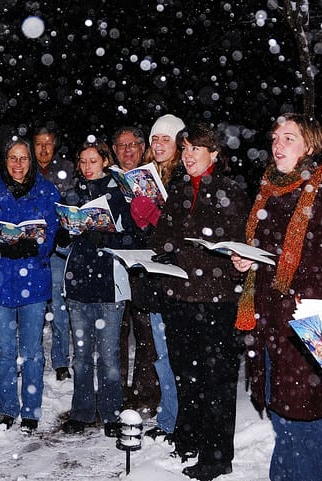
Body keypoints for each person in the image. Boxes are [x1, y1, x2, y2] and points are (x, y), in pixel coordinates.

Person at [232, 114, 322, 481]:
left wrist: (299, 291)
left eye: (288, 138)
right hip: (270, 325)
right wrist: (246, 260)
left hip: (310, 328)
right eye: (275, 138)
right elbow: (262, 250)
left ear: (309, 145)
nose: (277, 145)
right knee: (284, 421)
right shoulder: (270, 189)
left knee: (309, 424)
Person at [148, 123, 251, 480]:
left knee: (216, 378)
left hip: (216, 299)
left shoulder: (231, 191)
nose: (189, 155)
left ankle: (217, 454)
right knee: (186, 372)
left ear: (215, 154)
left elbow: (234, 243)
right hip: (180, 297)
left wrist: (189, 249)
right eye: (186, 148)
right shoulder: (177, 191)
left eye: (196, 148)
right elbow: (164, 237)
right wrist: (160, 255)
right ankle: (189, 436)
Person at [0, 139, 60, 433]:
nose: (18, 164)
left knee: (33, 350)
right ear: (5, 159)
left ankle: (31, 410)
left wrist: (34, 247)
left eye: (24, 158)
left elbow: (51, 231)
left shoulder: (47, 191)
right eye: (13, 157)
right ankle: (8, 408)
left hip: (33, 279)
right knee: (4, 349)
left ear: (32, 161)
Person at [60, 138, 140, 436]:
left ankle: (111, 413)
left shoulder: (119, 192)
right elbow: (61, 240)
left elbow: (132, 236)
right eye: (83, 162)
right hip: (78, 284)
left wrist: (107, 238)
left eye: (93, 161)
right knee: (81, 355)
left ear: (105, 161)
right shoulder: (73, 192)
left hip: (109, 283)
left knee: (108, 355)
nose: (88, 167)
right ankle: (81, 411)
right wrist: (67, 233)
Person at [128, 113, 185, 441]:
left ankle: (178, 419)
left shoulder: (181, 177)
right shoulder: (149, 177)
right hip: (157, 276)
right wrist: (143, 219)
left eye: (166, 138)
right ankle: (169, 418)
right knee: (162, 352)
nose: (159, 144)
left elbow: (179, 234)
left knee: (175, 354)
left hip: (178, 278)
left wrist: (156, 217)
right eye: (155, 139)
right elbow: (154, 238)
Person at [111, 125, 158, 410]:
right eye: (121, 145)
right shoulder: (108, 181)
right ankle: (117, 390)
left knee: (146, 330)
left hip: (145, 265)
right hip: (115, 263)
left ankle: (145, 392)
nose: (127, 150)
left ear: (142, 148)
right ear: (114, 150)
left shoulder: (154, 180)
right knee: (116, 331)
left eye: (133, 145)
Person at [32, 124, 76, 381]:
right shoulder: (23, 167)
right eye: (39, 143)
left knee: (60, 306)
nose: (44, 148)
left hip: (57, 250)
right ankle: (30, 357)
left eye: (48, 143)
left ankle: (60, 360)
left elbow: (71, 204)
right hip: (32, 249)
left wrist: (63, 227)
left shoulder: (67, 169)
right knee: (33, 306)